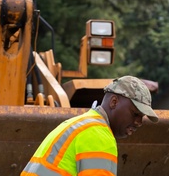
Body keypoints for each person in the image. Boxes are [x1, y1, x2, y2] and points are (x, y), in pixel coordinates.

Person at [21, 75, 159, 176]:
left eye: (142, 117)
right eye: (135, 114)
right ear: (114, 102)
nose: (139, 122)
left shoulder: (80, 124)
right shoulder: (98, 135)